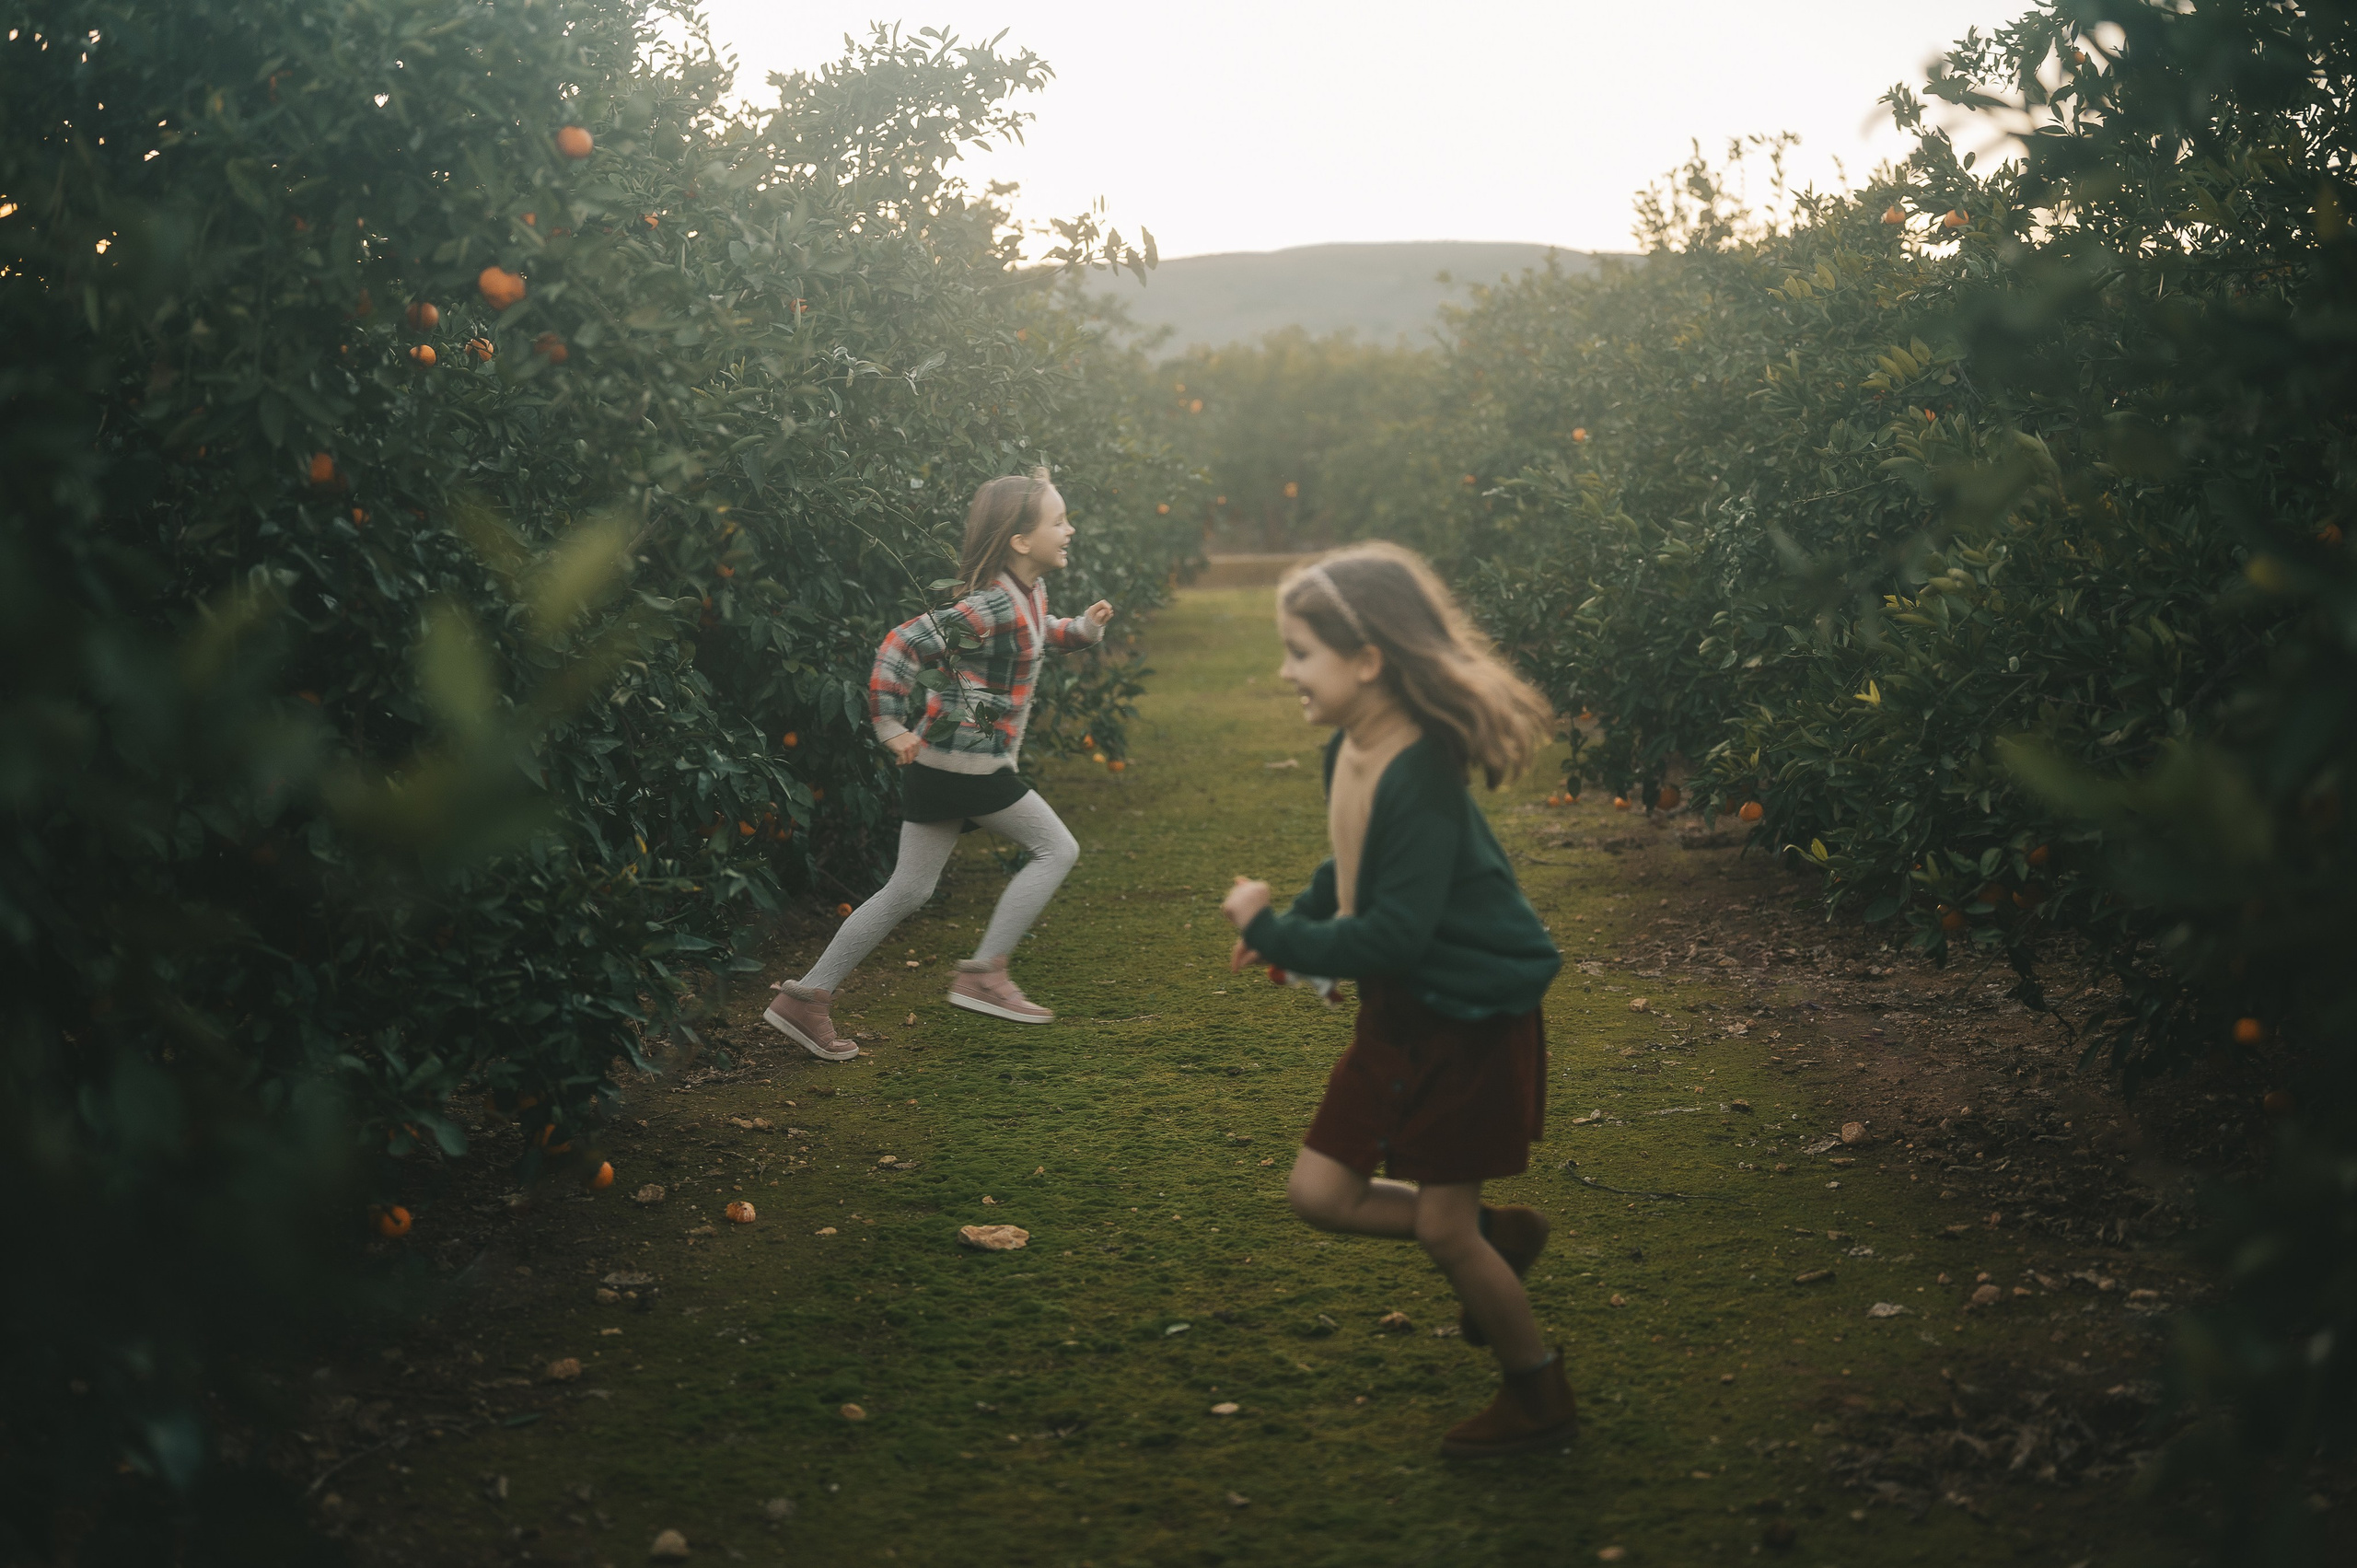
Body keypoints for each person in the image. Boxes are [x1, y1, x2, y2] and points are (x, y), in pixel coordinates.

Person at [1220, 541, 1573, 1458]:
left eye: (1301, 650)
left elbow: (1393, 936)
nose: (1285, 669)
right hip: (1402, 1011)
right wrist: (1301, 920)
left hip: (1467, 1017)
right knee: (1319, 1193)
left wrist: (1273, 932)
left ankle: (1536, 1392)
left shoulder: (1418, 769)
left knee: (1441, 1228)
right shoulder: (1350, 743)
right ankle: (1499, 1235)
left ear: (1368, 659)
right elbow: (1354, 864)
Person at [764, 469, 1112, 1060]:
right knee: (1058, 850)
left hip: (945, 763)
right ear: (1021, 542)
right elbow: (902, 644)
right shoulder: (992, 603)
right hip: (965, 764)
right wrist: (890, 724)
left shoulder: (1025, 594)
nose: (1070, 530)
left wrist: (1078, 631)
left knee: (909, 887)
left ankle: (807, 996)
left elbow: (1034, 636)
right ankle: (985, 974)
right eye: (1059, 521)